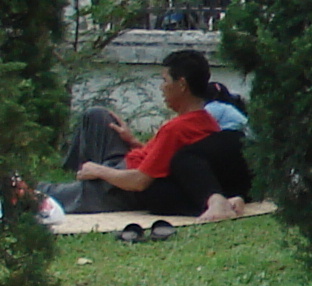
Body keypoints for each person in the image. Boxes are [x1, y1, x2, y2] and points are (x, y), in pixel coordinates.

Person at [55, 49, 251, 221]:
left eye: (164, 81)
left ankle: (86, 186)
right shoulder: (207, 121)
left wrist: (99, 171)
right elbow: (163, 157)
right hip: (127, 164)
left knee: (44, 193)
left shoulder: (176, 129)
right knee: (97, 116)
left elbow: (139, 182)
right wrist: (133, 142)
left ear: (181, 85)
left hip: (120, 185)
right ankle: (81, 179)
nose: (161, 87)